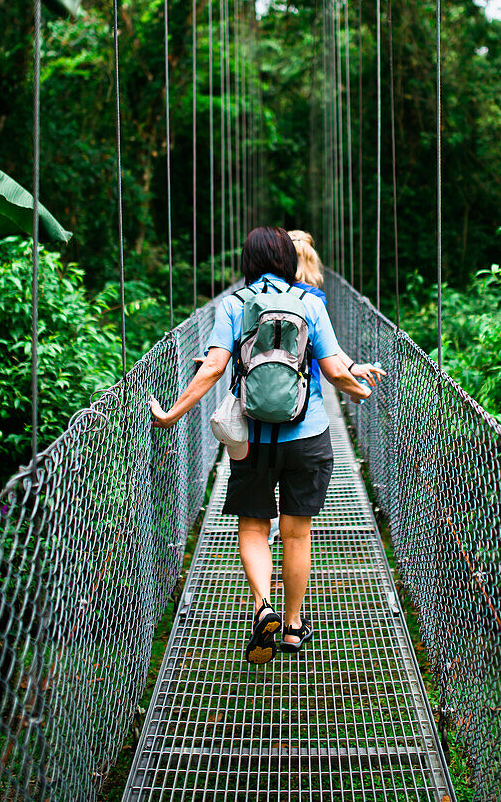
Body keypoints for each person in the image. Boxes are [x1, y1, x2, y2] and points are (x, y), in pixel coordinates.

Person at [149, 226, 371, 665]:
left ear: (247, 262)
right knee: (297, 533)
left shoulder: (234, 304)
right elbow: (335, 370)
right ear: (290, 261)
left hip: (252, 440)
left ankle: (262, 607)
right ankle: (291, 627)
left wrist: (172, 414)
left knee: (253, 527)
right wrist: (360, 392)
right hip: (309, 437)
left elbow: (213, 368)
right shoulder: (310, 303)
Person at [288, 229, 385, 389]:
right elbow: (324, 342)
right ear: (312, 260)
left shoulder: (266, 291)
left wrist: (352, 367)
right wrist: (355, 379)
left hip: (266, 382)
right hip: (304, 384)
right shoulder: (314, 297)